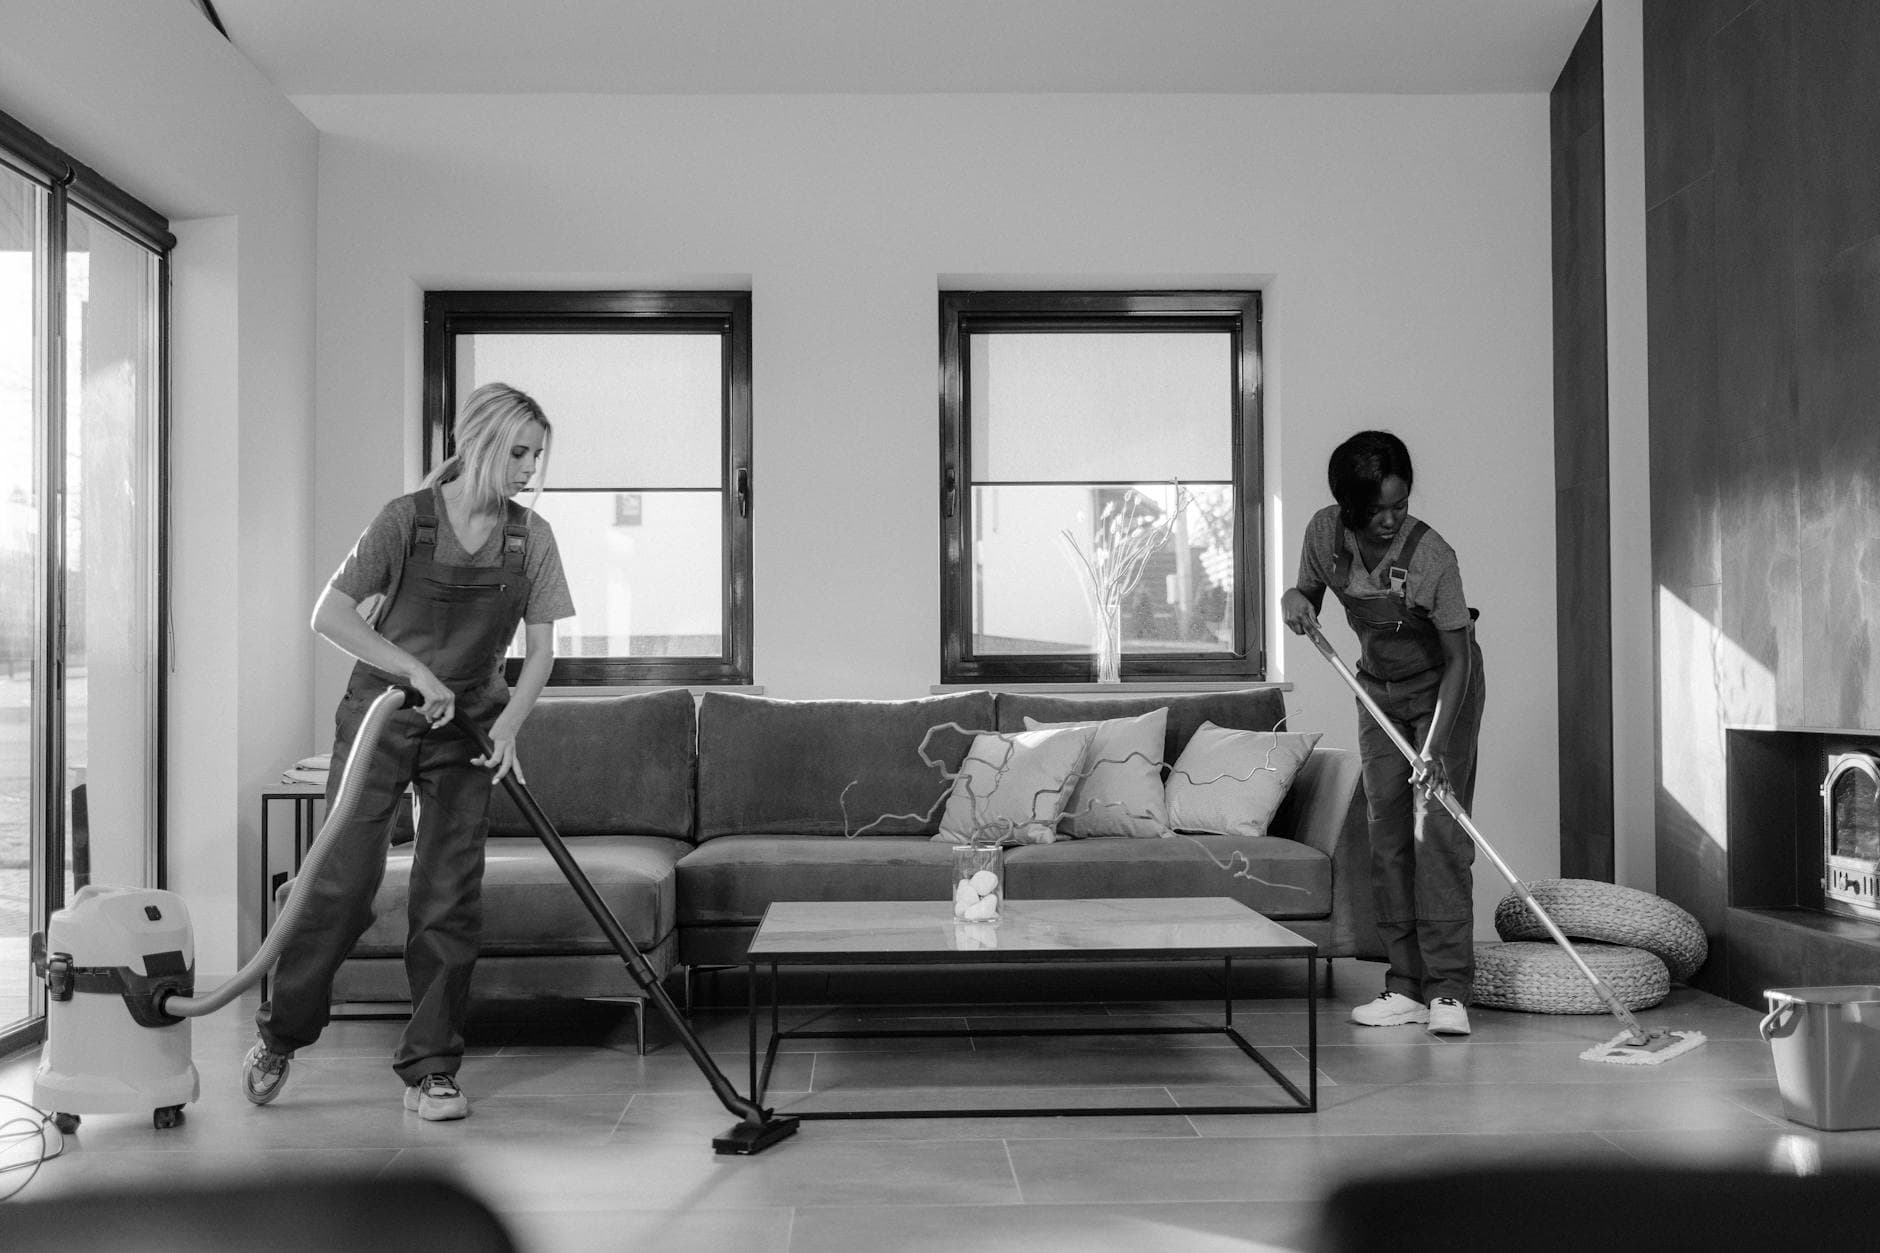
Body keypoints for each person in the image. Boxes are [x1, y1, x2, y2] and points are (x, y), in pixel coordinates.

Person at [244, 382, 576, 1120]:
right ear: (482, 442)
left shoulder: (531, 538)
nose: (530, 469)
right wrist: (414, 671)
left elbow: (545, 650)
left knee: (449, 896)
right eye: (519, 452)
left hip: (467, 728)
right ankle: (281, 1034)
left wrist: (511, 723)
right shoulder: (407, 521)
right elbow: (328, 613)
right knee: (340, 884)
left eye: (537, 455)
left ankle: (431, 1067)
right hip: (384, 718)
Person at [1280, 430, 1485, 1037]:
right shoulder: (1324, 534)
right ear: (1349, 507)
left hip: (1444, 694)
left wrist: (1435, 748)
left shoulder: (1432, 557)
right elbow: (1305, 595)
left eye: (1402, 504)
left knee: (1439, 834)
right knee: (1387, 833)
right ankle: (1405, 986)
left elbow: (1459, 660)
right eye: (1379, 510)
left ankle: (1448, 991)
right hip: (1377, 691)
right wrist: (1293, 597)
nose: (1393, 519)